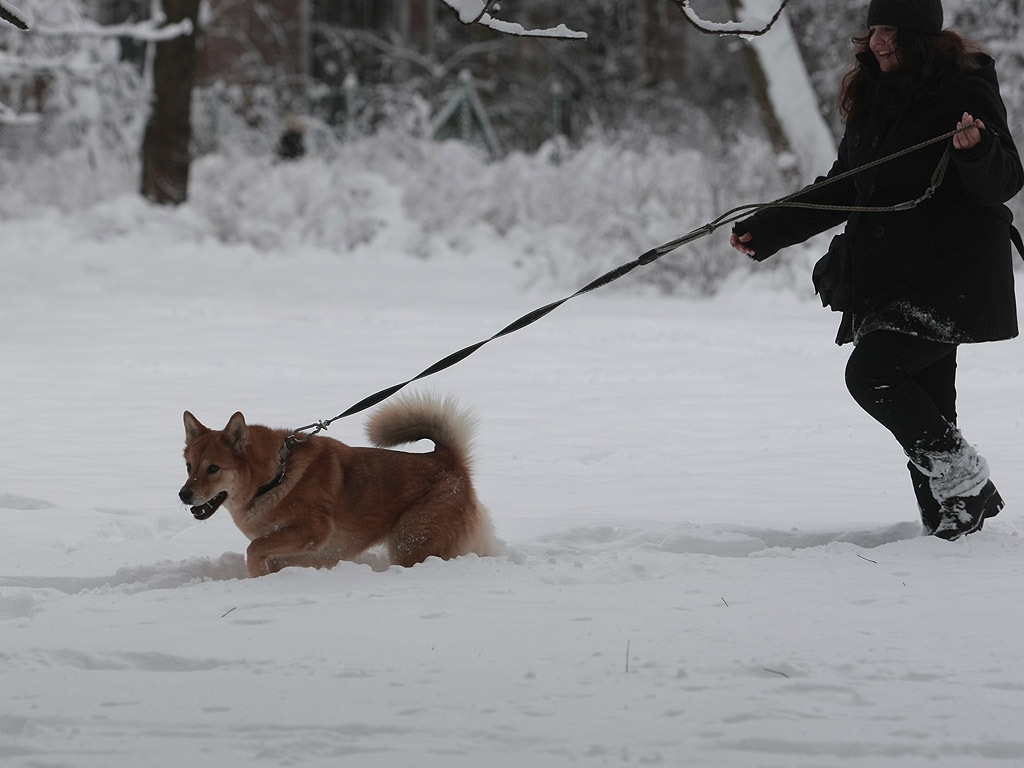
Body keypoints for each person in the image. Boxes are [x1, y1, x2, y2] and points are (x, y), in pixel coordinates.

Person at [729, 0, 1023, 540]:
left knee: (875, 375)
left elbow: (1004, 181)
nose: (879, 41)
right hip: (891, 274)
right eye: (874, 30)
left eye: (891, 30)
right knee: (930, 402)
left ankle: (965, 482)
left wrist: (976, 151)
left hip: (951, 275)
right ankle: (951, 525)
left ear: (922, 36)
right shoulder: (871, 93)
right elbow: (849, 182)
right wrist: (771, 227)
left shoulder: (964, 87)